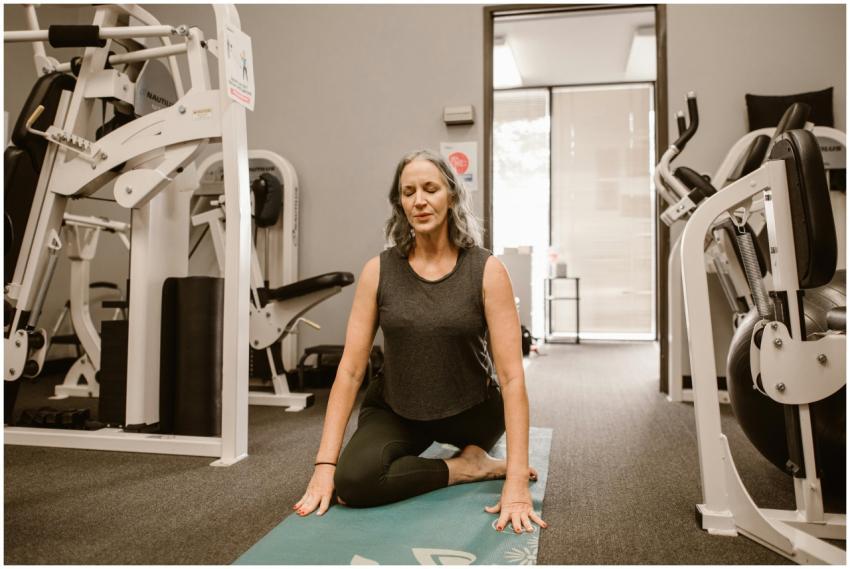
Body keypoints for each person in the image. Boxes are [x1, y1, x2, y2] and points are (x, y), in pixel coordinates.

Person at [293, 149, 547, 534]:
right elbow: (350, 371)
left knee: (484, 413)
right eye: (408, 192)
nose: (420, 200)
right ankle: (465, 468)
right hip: (399, 408)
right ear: (400, 204)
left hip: (472, 412)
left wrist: (515, 481)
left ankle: (478, 457)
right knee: (354, 482)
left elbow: (512, 377)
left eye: (430, 188)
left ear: (451, 196)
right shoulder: (378, 271)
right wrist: (324, 467)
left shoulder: (486, 270)